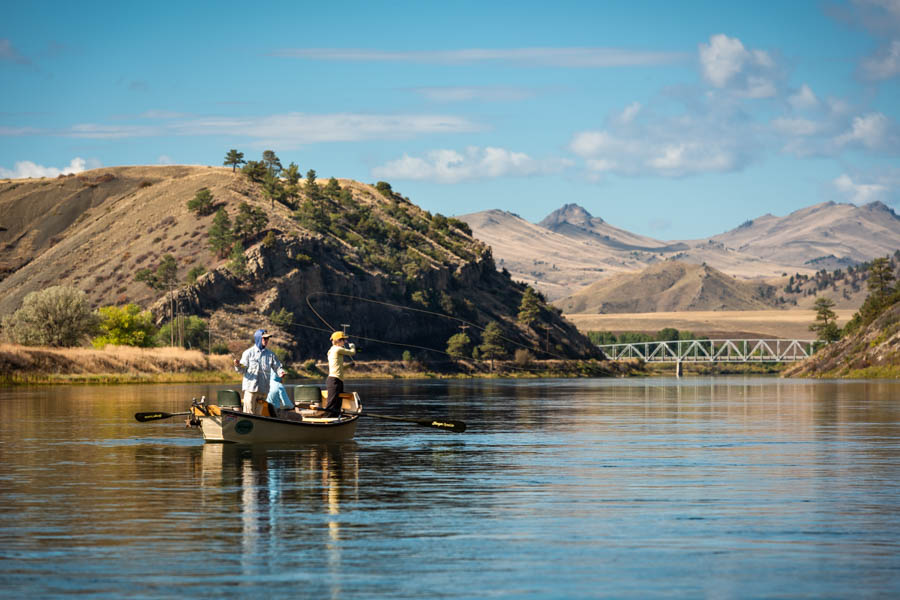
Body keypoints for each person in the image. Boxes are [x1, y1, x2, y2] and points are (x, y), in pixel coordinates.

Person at [233, 329, 282, 415]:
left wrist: (281, 372)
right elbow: (241, 370)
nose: (266, 341)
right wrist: (237, 365)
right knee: (249, 415)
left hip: (263, 391)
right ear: (258, 338)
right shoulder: (248, 353)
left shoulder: (271, 355)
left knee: (258, 415)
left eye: (267, 339)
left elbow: (277, 367)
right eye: (264, 338)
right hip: (251, 390)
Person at [320, 331, 356, 417]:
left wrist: (349, 366)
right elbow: (352, 352)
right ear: (339, 340)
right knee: (332, 403)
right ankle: (326, 419)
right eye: (344, 340)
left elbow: (340, 368)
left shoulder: (332, 350)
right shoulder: (337, 349)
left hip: (337, 380)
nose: (345, 342)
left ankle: (335, 418)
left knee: (338, 403)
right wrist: (353, 346)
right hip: (334, 380)